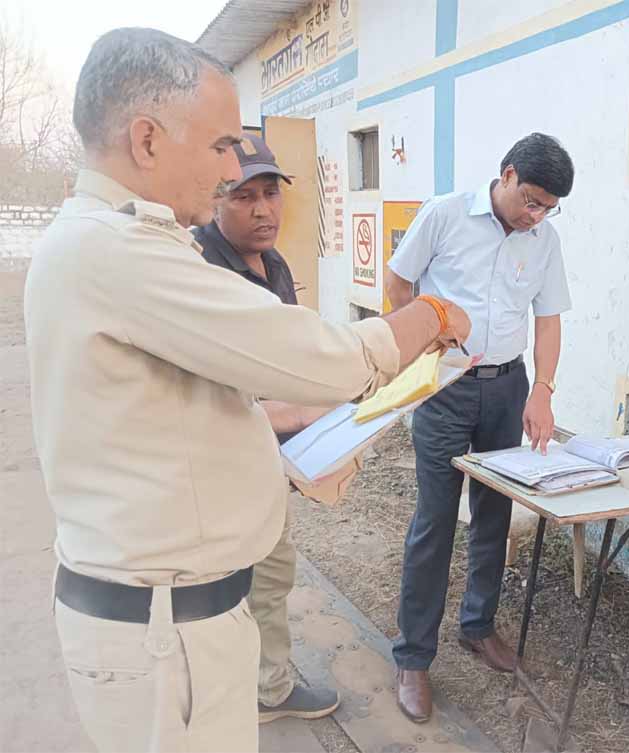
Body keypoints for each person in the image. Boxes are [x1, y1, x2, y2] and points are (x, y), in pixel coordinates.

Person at [24, 28, 469, 753]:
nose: (231, 169)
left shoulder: (109, 244)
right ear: (146, 140)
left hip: (175, 621)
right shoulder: (119, 252)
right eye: (221, 145)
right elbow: (319, 358)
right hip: (164, 637)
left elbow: (190, 410)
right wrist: (431, 315)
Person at [385, 133, 574, 723]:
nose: (536, 214)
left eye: (548, 207)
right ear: (508, 174)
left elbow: (548, 318)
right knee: (436, 519)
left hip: (507, 386)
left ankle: (479, 626)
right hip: (444, 384)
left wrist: (542, 390)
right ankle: (414, 657)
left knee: (493, 511)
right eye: (532, 200)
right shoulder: (444, 215)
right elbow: (397, 283)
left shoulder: (544, 241)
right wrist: (413, 352)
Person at [193, 133, 340, 723]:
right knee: (216, 594)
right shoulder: (195, 268)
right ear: (213, 201)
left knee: (272, 577)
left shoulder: (273, 262)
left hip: (269, 465)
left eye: (271, 193)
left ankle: (270, 689)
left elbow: (282, 361)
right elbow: (208, 401)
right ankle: (219, 701)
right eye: (243, 196)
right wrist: (300, 413)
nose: (262, 210)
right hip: (214, 476)